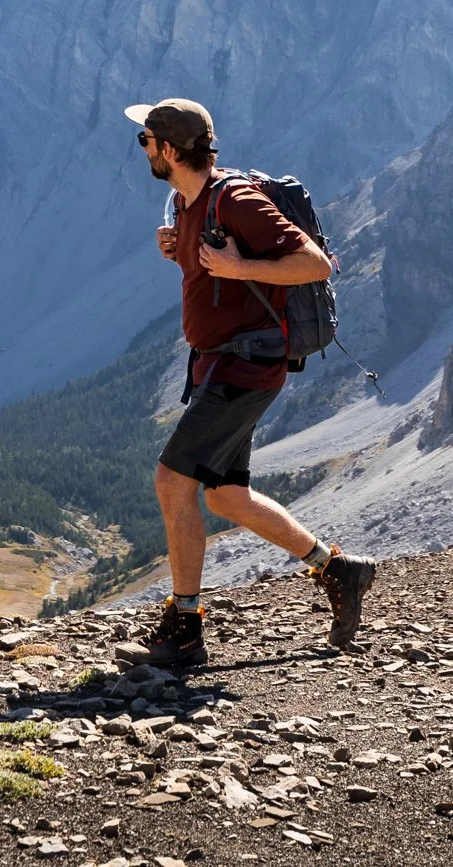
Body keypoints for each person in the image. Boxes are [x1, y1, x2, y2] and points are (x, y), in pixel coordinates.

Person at [125, 97, 377, 667]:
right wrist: (181, 255)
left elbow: (315, 263)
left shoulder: (234, 198)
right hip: (220, 363)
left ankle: (186, 627)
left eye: (145, 140)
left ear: (168, 148)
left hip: (245, 367)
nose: (141, 149)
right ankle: (339, 570)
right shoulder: (188, 203)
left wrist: (241, 268)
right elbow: (217, 279)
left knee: (172, 483)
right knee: (226, 495)